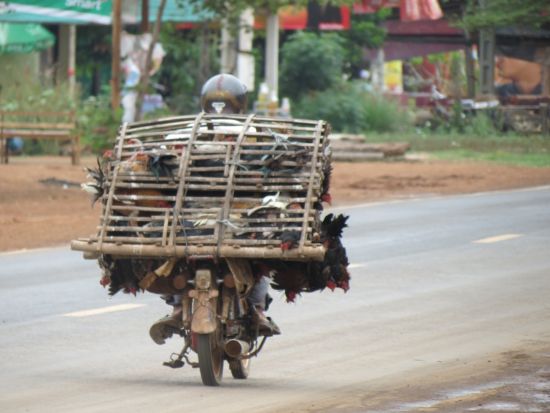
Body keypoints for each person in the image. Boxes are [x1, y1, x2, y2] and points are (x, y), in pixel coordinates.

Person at [149, 74, 280, 345]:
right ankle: (256, 311)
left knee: (177, 256)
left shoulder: (183, 132)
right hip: (237, 218)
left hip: (188, 219)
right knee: (256, 259)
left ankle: (176, 307)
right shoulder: (254, 133)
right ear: (241, 102)